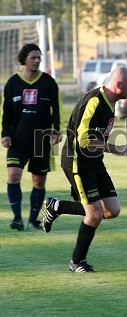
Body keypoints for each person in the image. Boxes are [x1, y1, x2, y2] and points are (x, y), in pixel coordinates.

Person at [42, 67, 127, 273]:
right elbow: (84, 140)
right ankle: (77, 262)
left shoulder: (111, 102)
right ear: (119, 84)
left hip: (94, 162)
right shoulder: (95, 101)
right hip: (78, 161)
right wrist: (116, 149)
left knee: (112, 210)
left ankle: (57, 206)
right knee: (94, 215)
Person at [1, 43, 62, 231]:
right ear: (24, 60)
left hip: (40, 139)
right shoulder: (13, 83)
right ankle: (17, 218)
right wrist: (5, 134)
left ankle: (33, 220)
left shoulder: (49, 82)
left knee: (39, 180)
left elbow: (56, 110)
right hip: (17, 139)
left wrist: (56, 130)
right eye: (33, 58)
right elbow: (7, 112)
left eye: (39, 58)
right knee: (13, 175)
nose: (37, 61)